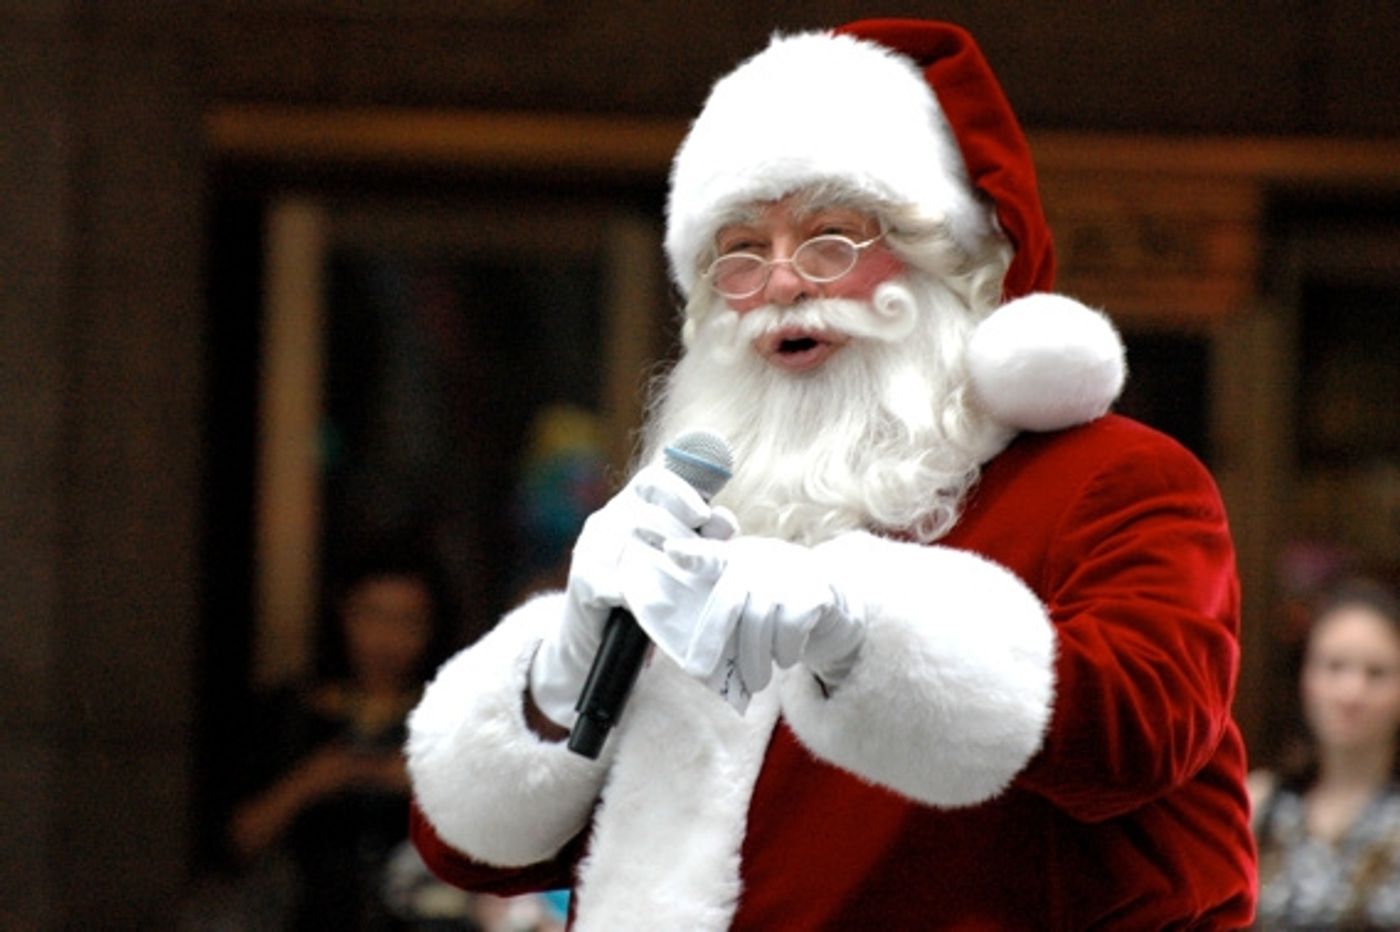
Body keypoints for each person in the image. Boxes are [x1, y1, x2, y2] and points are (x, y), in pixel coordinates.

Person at [405, 18, 1256, 929]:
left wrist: (865, 628)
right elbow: (472, 851)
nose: (779, 282)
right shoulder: (700, 522)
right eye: (739, 250)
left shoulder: (1111, 478)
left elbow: (1142, 732)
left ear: (945, 263)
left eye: (829, 240)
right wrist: (561, 680)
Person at [227, 547, 452, 930]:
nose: (387, 638)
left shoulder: (453, 715)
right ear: (342, 614)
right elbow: (239, 839)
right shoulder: (292, 714)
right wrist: (312, 782)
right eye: (372, 615)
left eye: (407, 621)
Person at [1249, 577, 1400, 929]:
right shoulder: (1257, 804)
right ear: (1305, 676)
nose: (1351, 692)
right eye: (1334, 667)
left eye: (1376, 673)